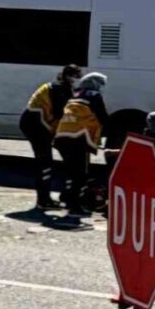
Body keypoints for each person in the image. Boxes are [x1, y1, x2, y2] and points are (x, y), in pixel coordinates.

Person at [20, 65, 82, 210]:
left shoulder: (64, 89)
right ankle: (43, 201)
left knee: (45, 162)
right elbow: (60, 115)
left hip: (37, 123)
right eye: (76, 77)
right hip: (35, 123)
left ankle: (44, 199)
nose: (77, 80)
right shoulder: (59, 90)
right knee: (45, 162)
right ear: (68, 76)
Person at [54, 73, 110, 214]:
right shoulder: (94, 95)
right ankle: (75, 205)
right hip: (78, 137)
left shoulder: (75, 94)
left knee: (70, 169)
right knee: (80, 173)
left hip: (61, 136)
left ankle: (66, 197)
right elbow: (102, 116)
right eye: (101, 85)